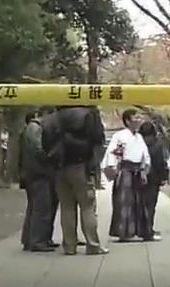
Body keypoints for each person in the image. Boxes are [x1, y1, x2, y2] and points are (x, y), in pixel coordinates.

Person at [42, 103, 109, 255]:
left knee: (66, 207)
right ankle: (93, 245)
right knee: (87, 206)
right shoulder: (89, 115)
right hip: (81, 165)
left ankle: (69, 246)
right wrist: (93, 165)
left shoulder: (52, 118)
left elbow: (45, 143)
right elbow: (98, 141)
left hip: (59, 166)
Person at [102, 109, 153, 242]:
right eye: (135, 117)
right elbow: (114, 153)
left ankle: (143, 231)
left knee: (140, 202)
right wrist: (114, 168)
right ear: (127, 121)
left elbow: (145, 155)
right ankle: (123, 232)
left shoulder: (139, 137)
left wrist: (144, 170)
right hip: (125, 171)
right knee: (124, 202)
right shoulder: (120, 136)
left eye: (139, 117)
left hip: (137, 170)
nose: (138, 119)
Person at [19, 110, 57, 252]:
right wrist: (51, 157)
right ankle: (38, 241)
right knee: (42, 207)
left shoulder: (30, 127)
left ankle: (30, 239)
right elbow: (38, 149)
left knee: (34, 207)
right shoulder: (36, 127)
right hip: (39, 173)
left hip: (32, 172)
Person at [138, 121, 168, 238]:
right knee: (151, 204)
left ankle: (141, 228)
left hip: (139, 176)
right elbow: (160, 162)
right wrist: (163, 177)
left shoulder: (138, 143)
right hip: (154, 177)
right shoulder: (157, 145)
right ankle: (149, 228)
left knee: (141, 203)